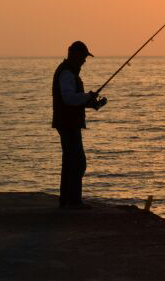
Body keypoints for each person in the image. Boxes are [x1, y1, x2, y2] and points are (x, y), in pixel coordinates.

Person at [51, 40, 106, 209]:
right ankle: (73, 201)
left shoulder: (69, 72)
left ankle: (66, 199)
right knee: (77, 162)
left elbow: (74, 99)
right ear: (74, 55)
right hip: (68, 123)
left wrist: (91, 102)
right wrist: (86, 96)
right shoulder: (67, 73)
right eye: (82, 57)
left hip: (67, 122)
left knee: (70, 161)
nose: (84, 61)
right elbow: (69, 98)